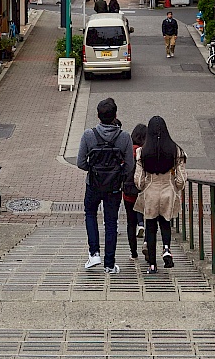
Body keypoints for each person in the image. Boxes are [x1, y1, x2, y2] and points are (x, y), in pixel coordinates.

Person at [76, 97, 135, 273]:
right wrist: (117, 175)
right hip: (114, 187)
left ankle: (94, 253)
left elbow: (80, 162)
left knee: (90, 214)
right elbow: (130, 165)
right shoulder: (124, 137)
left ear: (98, 116)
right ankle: (109, 264)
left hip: (93, 184)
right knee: (111, 222)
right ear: (115, 115)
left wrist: (92, 170)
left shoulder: (89, 135)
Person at [135, 115, 186, 273]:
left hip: (151, 191)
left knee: (150, 227)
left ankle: (152, 264)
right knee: (165, 222)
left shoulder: (142, 152)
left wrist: (143, 185)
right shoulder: (176, 150)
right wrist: (176, 186)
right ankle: (166, 248)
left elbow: (139, 180)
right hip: (167, 191)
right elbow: (181, 179)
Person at [123, 123, 147, 259]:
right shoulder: (144, 152)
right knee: (149, 219)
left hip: (128, 193)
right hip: (143, 192)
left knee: (130, 222)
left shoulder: (127, 151)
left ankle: (133, 253)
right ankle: (146, 243)